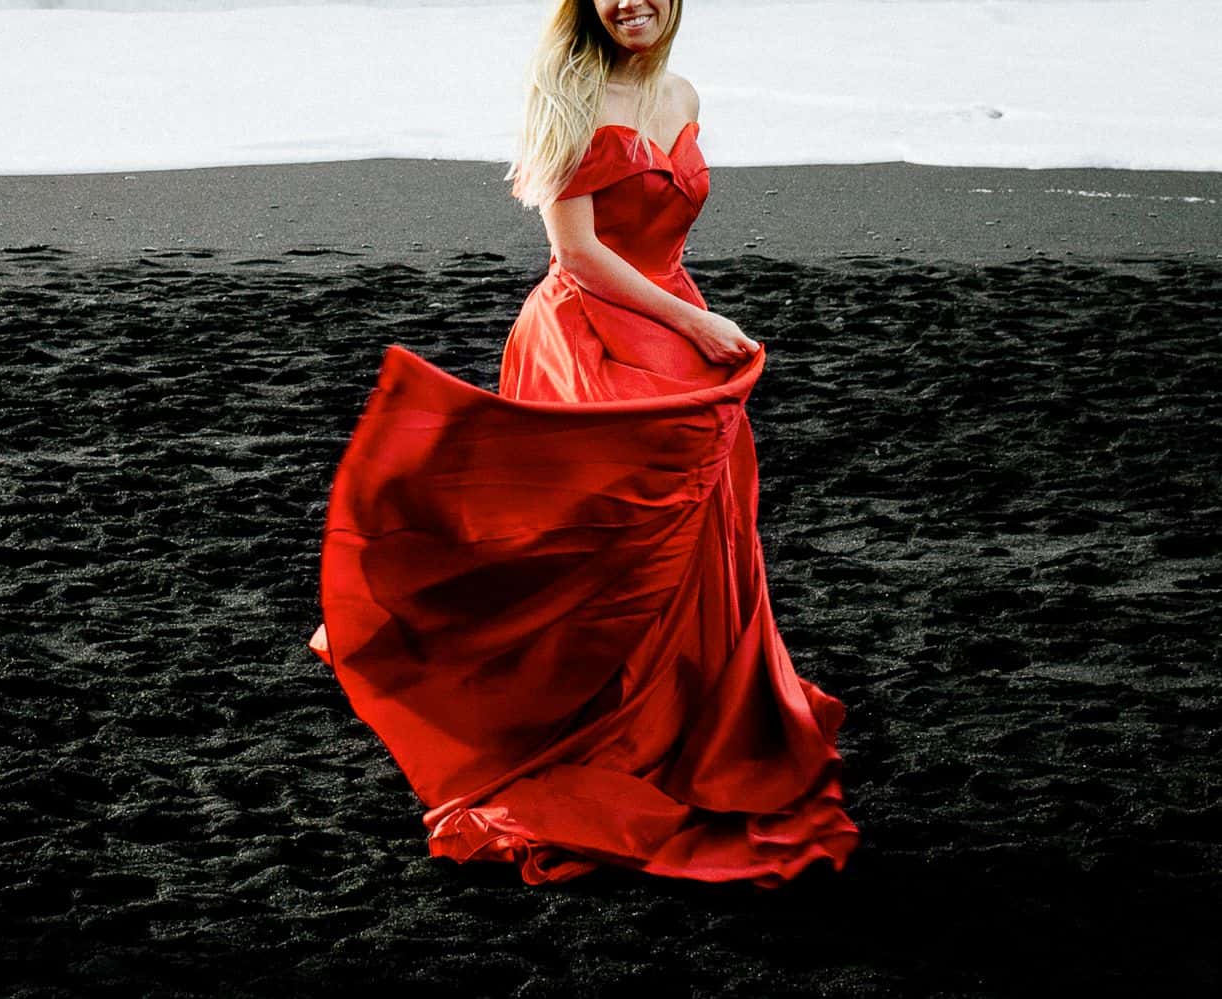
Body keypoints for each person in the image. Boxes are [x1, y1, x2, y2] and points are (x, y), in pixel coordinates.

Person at [308, 0, 859, 887]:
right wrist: (697, 320)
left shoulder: (682, 92)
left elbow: (661, 237)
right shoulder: (568, 96)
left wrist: (687, 321)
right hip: (587, 332)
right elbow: (577, 254)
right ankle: (426, 637)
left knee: (703, 524)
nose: (630, 1)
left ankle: (688, 734)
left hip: (670, 321)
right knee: (604, 536)